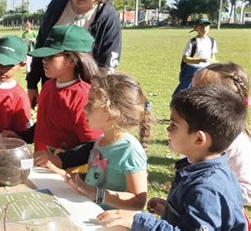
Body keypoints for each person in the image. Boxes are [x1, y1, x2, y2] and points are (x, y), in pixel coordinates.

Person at [97, 86, 248, 230]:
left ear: (199, 140)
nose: (168, 129)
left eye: (173, 125)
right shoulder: (205, 170)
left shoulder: (207, 189)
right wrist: (171, 211)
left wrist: (140, 221)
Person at [45, 74, 151, 211]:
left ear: (112, 113)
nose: (84, 108)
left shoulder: (130, 150)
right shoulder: (100, 141)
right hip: (90, 212)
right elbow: (95, 178)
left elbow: (138, 201)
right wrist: (70, 177)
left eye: (90, 104)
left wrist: (95, 194)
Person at [26, 0, 121, 109]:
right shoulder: (57, 6)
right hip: (52, 89)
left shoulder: (107, 18)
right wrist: (32, 84)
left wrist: (95, 97)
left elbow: (107, 65)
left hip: (84, 96)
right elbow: (41, 46)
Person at [21, 25, 103, 159]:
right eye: (44, 56)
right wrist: (22, 136)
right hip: (45, 169)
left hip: (70, 175)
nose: (44, 60)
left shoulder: (84, 96)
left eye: (50, 56)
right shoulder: (49, 86)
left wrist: (60, 159)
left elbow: (94, 145)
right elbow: (47, 124)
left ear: (72, 60)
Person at [192, 62, 251, 206]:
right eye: (192, 89)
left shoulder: (235, 140)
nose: (190, 96)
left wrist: (204, 191)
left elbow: (248, 191)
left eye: (200, 93)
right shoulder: (205, 129)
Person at [172, 18, 218, 97]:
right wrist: (199, 60)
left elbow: (213, 56)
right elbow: (185, 59)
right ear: (196, 29)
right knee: (182, 93)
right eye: (202, 26)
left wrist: (214, 62)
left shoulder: (212, 41)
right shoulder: (193, 42)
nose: (204, 28)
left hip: (207, 70)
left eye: (206, 26)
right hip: (192, 70)